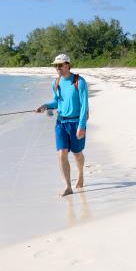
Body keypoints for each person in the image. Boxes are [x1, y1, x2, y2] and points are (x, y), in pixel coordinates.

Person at [35, 53, 89, 197]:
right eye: (55, 65)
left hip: (76, 122)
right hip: (61, 122)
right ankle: (68, 186)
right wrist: (46, 106)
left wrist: (81, 126)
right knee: (62, 153)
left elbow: (84, 105)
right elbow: (56, 102)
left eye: (60, 65)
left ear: (68, 65)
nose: (57, 68)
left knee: (77, 154)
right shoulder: (56, 83)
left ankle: (81, 173)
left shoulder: (79, 81)